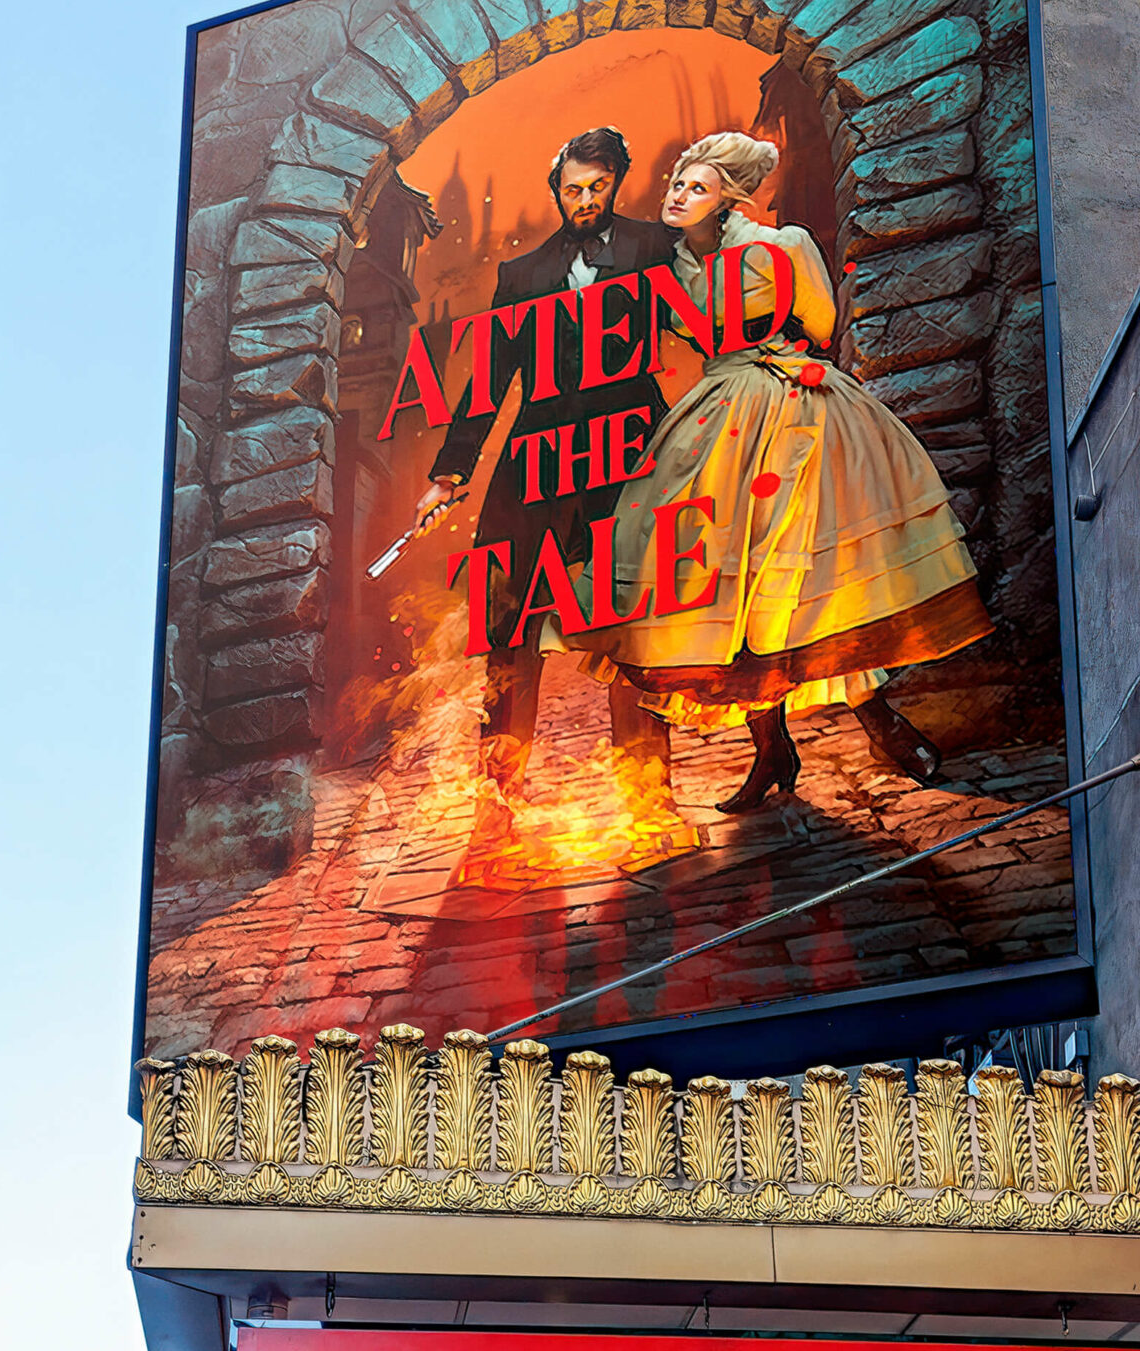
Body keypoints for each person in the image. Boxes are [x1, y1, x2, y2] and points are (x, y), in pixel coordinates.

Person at [575, 132, 989, 814]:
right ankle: (771, 747)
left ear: (729, 198)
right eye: (677, 184)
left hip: (790, 409)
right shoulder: (670, 267)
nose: (679, 196)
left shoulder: (784, 244)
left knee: (799, 576)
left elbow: (821, 322)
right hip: (711, 415)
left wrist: (776, 331)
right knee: (716, 584)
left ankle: (881, 722)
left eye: (697, 186)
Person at [407, 128, 678, 839]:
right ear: (555, 188)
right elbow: (490, 382)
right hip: (535, 464)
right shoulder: (522, 275)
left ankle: (649, 802)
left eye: (597, 188)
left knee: (632, 625)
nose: (584, 201)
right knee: (509, 624)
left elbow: (703, 324)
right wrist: (450, 471)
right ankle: (496, 806)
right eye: (572, 189)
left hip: (630, 453)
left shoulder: (655, 246)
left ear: (616, 182)